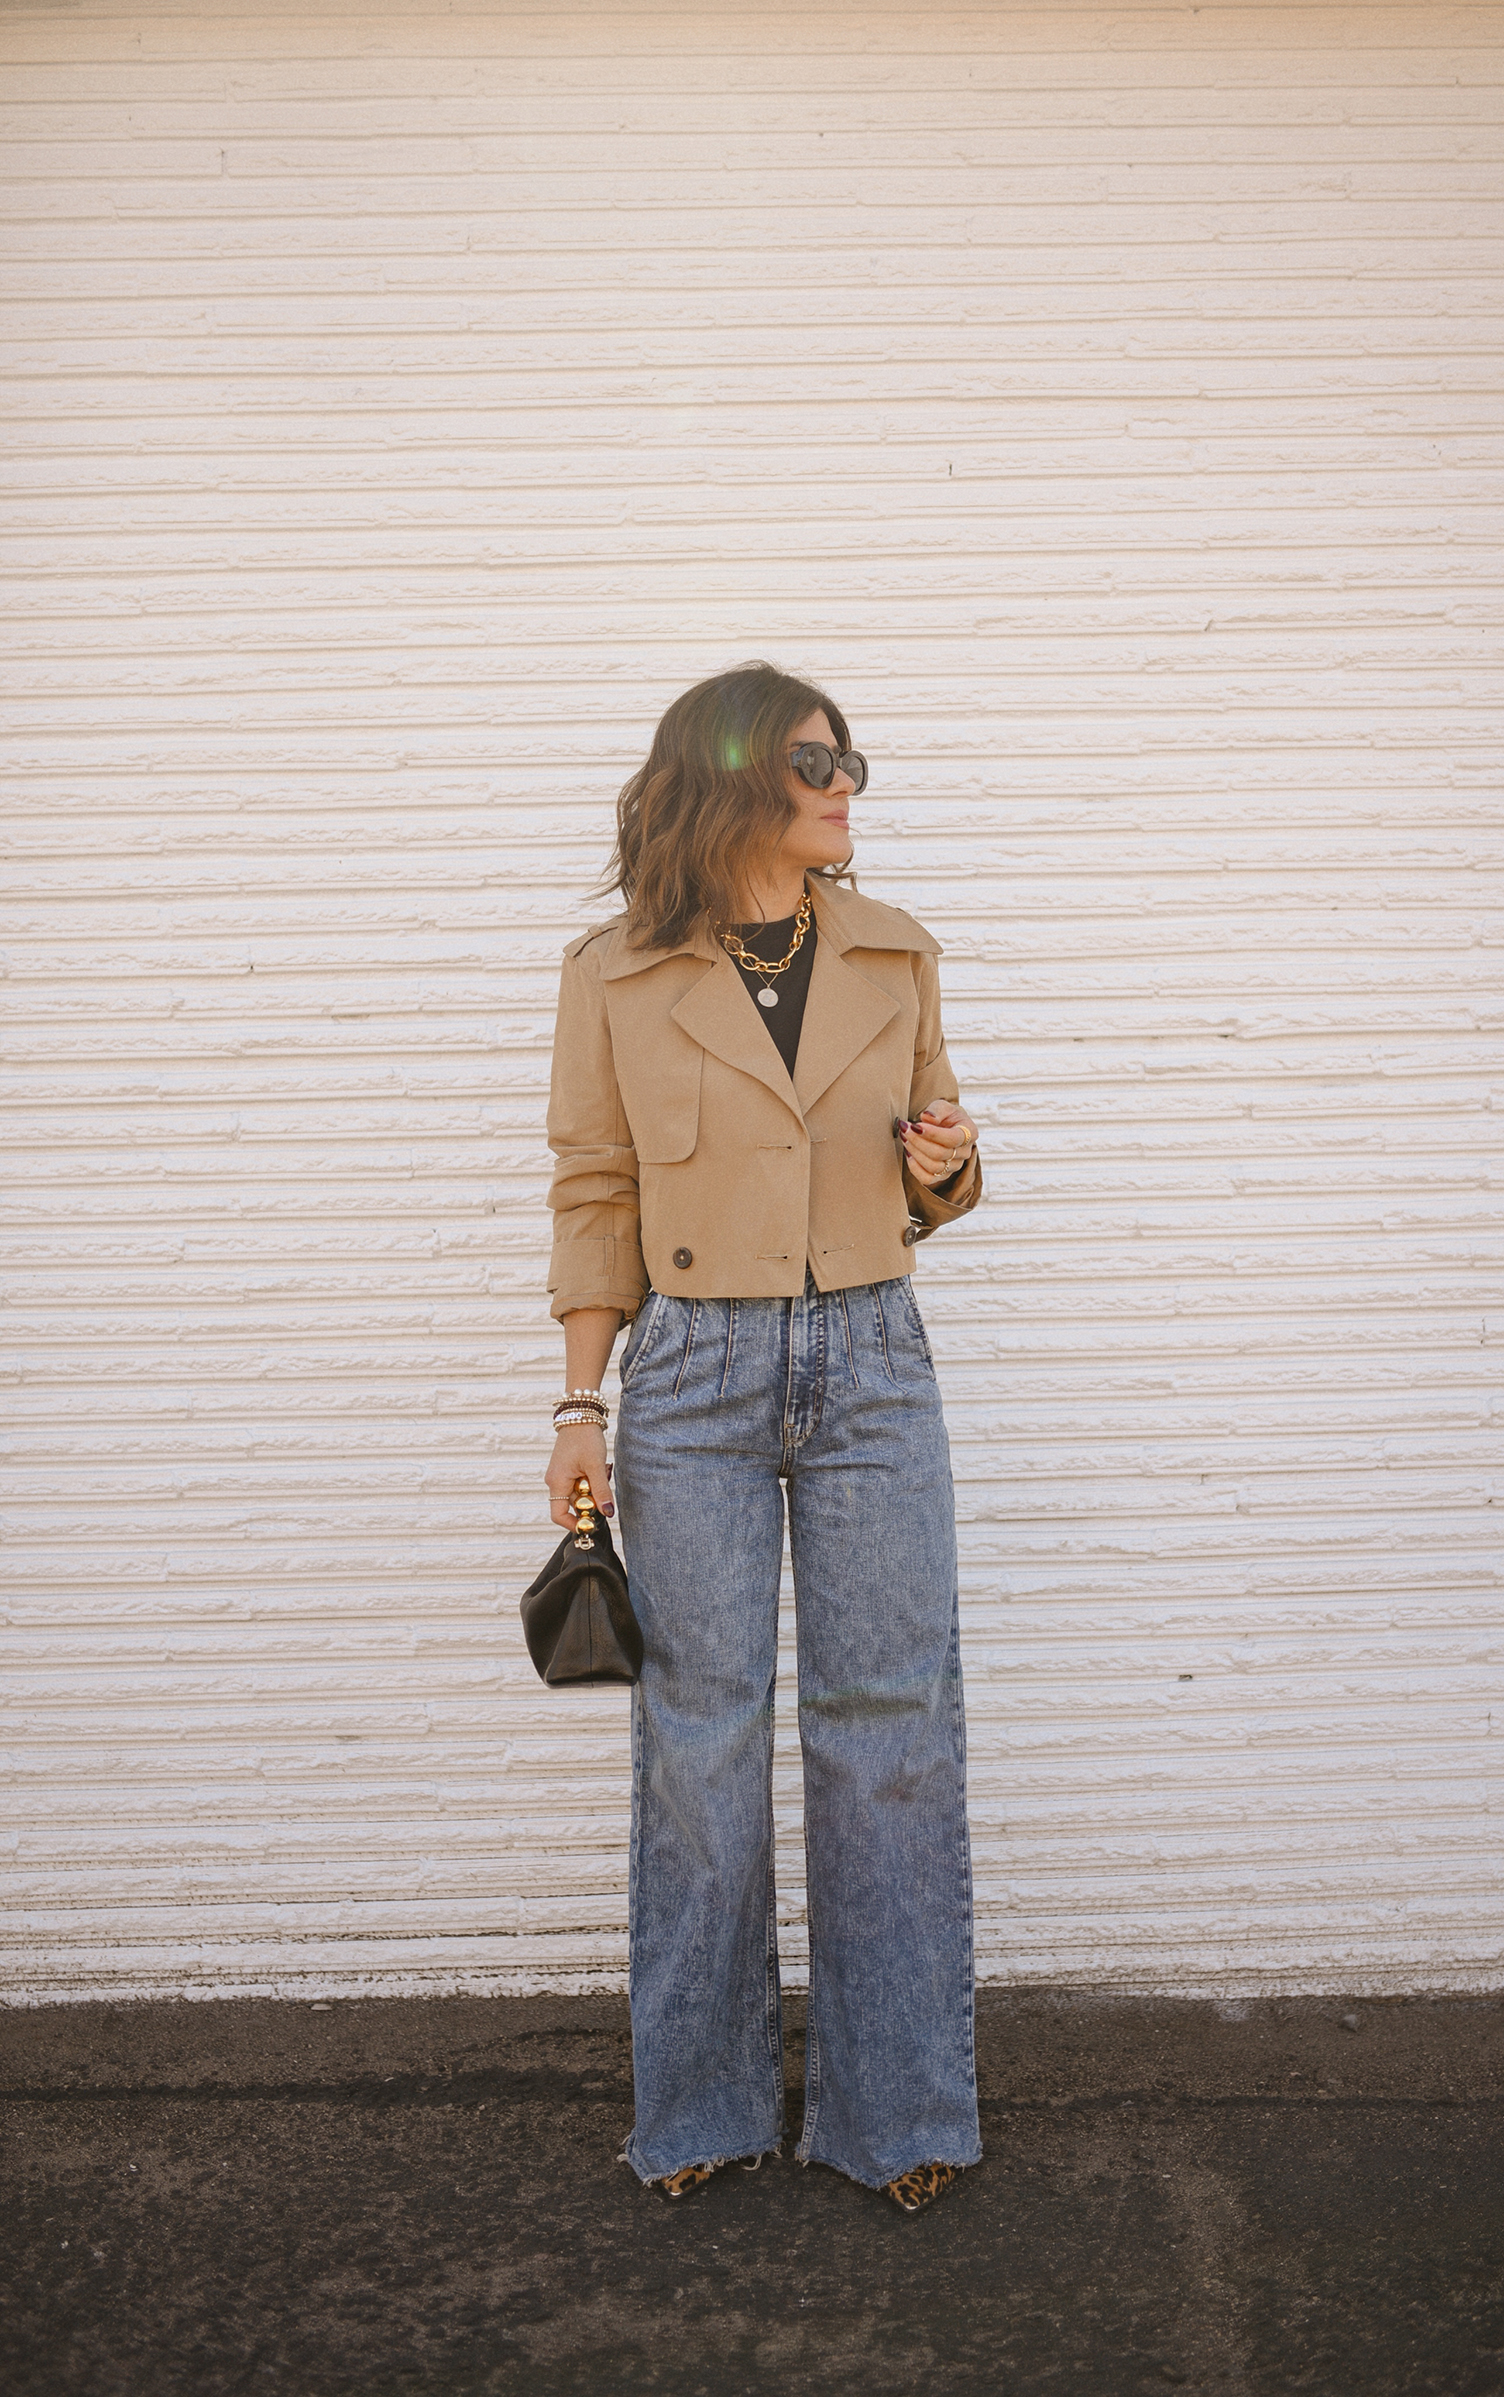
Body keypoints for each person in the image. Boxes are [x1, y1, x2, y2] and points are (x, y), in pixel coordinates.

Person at [543, 662, 983, 2213]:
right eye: (817, 756)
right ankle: (704, 2106)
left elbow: (940, 1180)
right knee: (700, 1750)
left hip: (871, 1358)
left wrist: (945, 1161)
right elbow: (595, 1192)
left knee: (890, 1742)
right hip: (693, 1375)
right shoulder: (615, 975)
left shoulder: (896, 952)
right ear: (735, 780)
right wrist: (578, 1407)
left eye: (850, 752)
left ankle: (902, 2108)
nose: (847, 777)